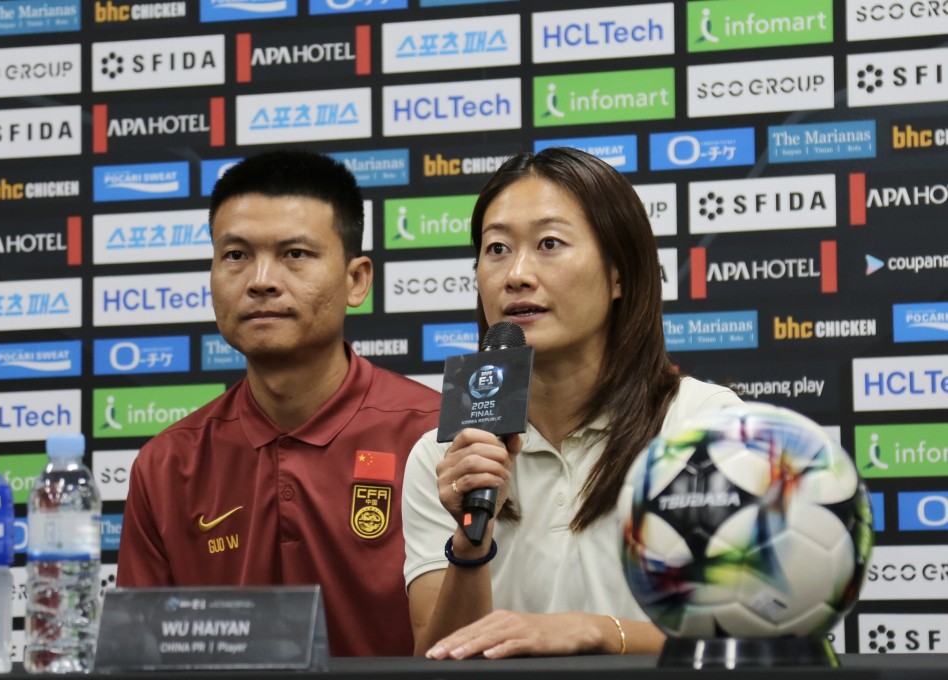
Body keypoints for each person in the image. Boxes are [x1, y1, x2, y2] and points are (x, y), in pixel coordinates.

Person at [401, 147, 743, 659]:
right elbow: (439, 660)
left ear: (619, 273)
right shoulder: (442, 454)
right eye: (497, 249)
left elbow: (752, 638)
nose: (516, 274)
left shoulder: (707, 426)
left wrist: (599, 633)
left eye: (549, 244)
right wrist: (471, 544)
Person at [117, 150, 441, 657]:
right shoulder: (166, 465)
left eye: (295, 254)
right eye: (235, 255)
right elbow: (139, 660)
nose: (261, 280)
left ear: (356, 280)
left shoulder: (436, 436)